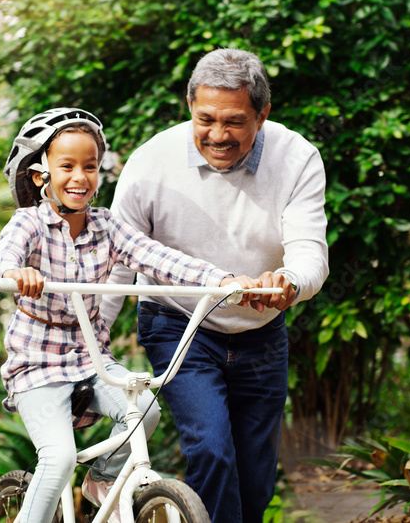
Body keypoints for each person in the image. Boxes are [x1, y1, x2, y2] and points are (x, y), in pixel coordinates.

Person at [100, 48, 329, 523]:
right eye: (206, 119)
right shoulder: (150, 163)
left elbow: (310, 252)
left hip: (262, 331)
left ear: (262, 115)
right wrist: (93, 346)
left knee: (256, 473)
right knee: (212, 450)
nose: (218, 135)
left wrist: (289, 281)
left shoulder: (298, 157)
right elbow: (119, 262)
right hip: (178, 323)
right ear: (189, 106)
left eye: (235, 122)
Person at [0, 107, 242, 523]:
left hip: (91, 361)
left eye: (90, 166)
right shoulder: (28, 224)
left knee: (146, 406)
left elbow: (156, 257)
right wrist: (16, 272)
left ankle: (103, 478)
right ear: (40, 175)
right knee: (58, 459)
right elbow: (2, 261)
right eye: (66, 166)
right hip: (36, 365)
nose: (80, 176)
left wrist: (222, 279)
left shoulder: (107, 226)